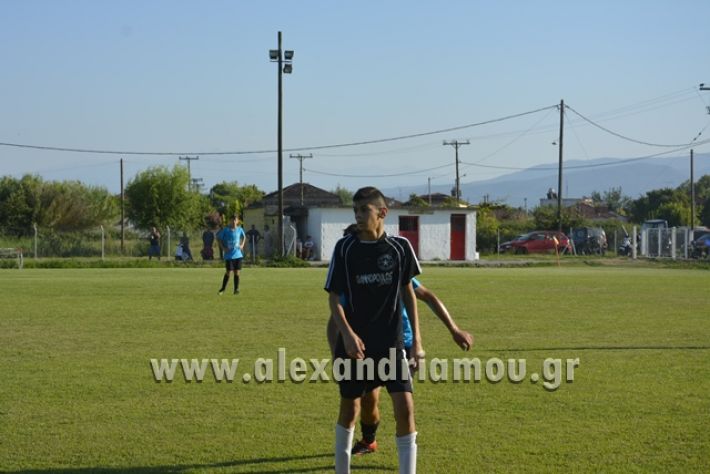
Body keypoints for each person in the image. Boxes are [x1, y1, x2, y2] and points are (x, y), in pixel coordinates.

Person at [327, 224, 474, 456]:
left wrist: (454, 330)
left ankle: (406, 452)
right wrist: (338, 356)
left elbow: (427, 296)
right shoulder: (348, 280)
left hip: (402, 342)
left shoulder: (393, 268)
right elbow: (333, 322)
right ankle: (369, 440)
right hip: (368, 345)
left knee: (403, 403)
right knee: (368, 400)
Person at [325, 186, 422, 474]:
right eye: (354, 211)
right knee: (350, 411)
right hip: (355, 348)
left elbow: (409, 294)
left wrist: (417, 341)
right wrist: (347, 335)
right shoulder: (345, 248)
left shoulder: (400, 248)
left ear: (382, 212)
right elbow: (333, 298)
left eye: (363, 210)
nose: (357, 216)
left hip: (391, 345)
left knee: (405, 409)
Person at [216, 215, 246, 295]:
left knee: (237, 272)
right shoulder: (226, 230)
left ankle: (236, 289)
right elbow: (218, 238)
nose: (233, 222)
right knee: (228, 272)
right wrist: (224, 248)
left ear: (237, 221)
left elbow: (244, 237)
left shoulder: (240, 229)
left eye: (235, 220)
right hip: (229, 255)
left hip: (238, 255)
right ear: (230, 221)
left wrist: (242, 245)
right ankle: (222, 289)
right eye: (232, 220)